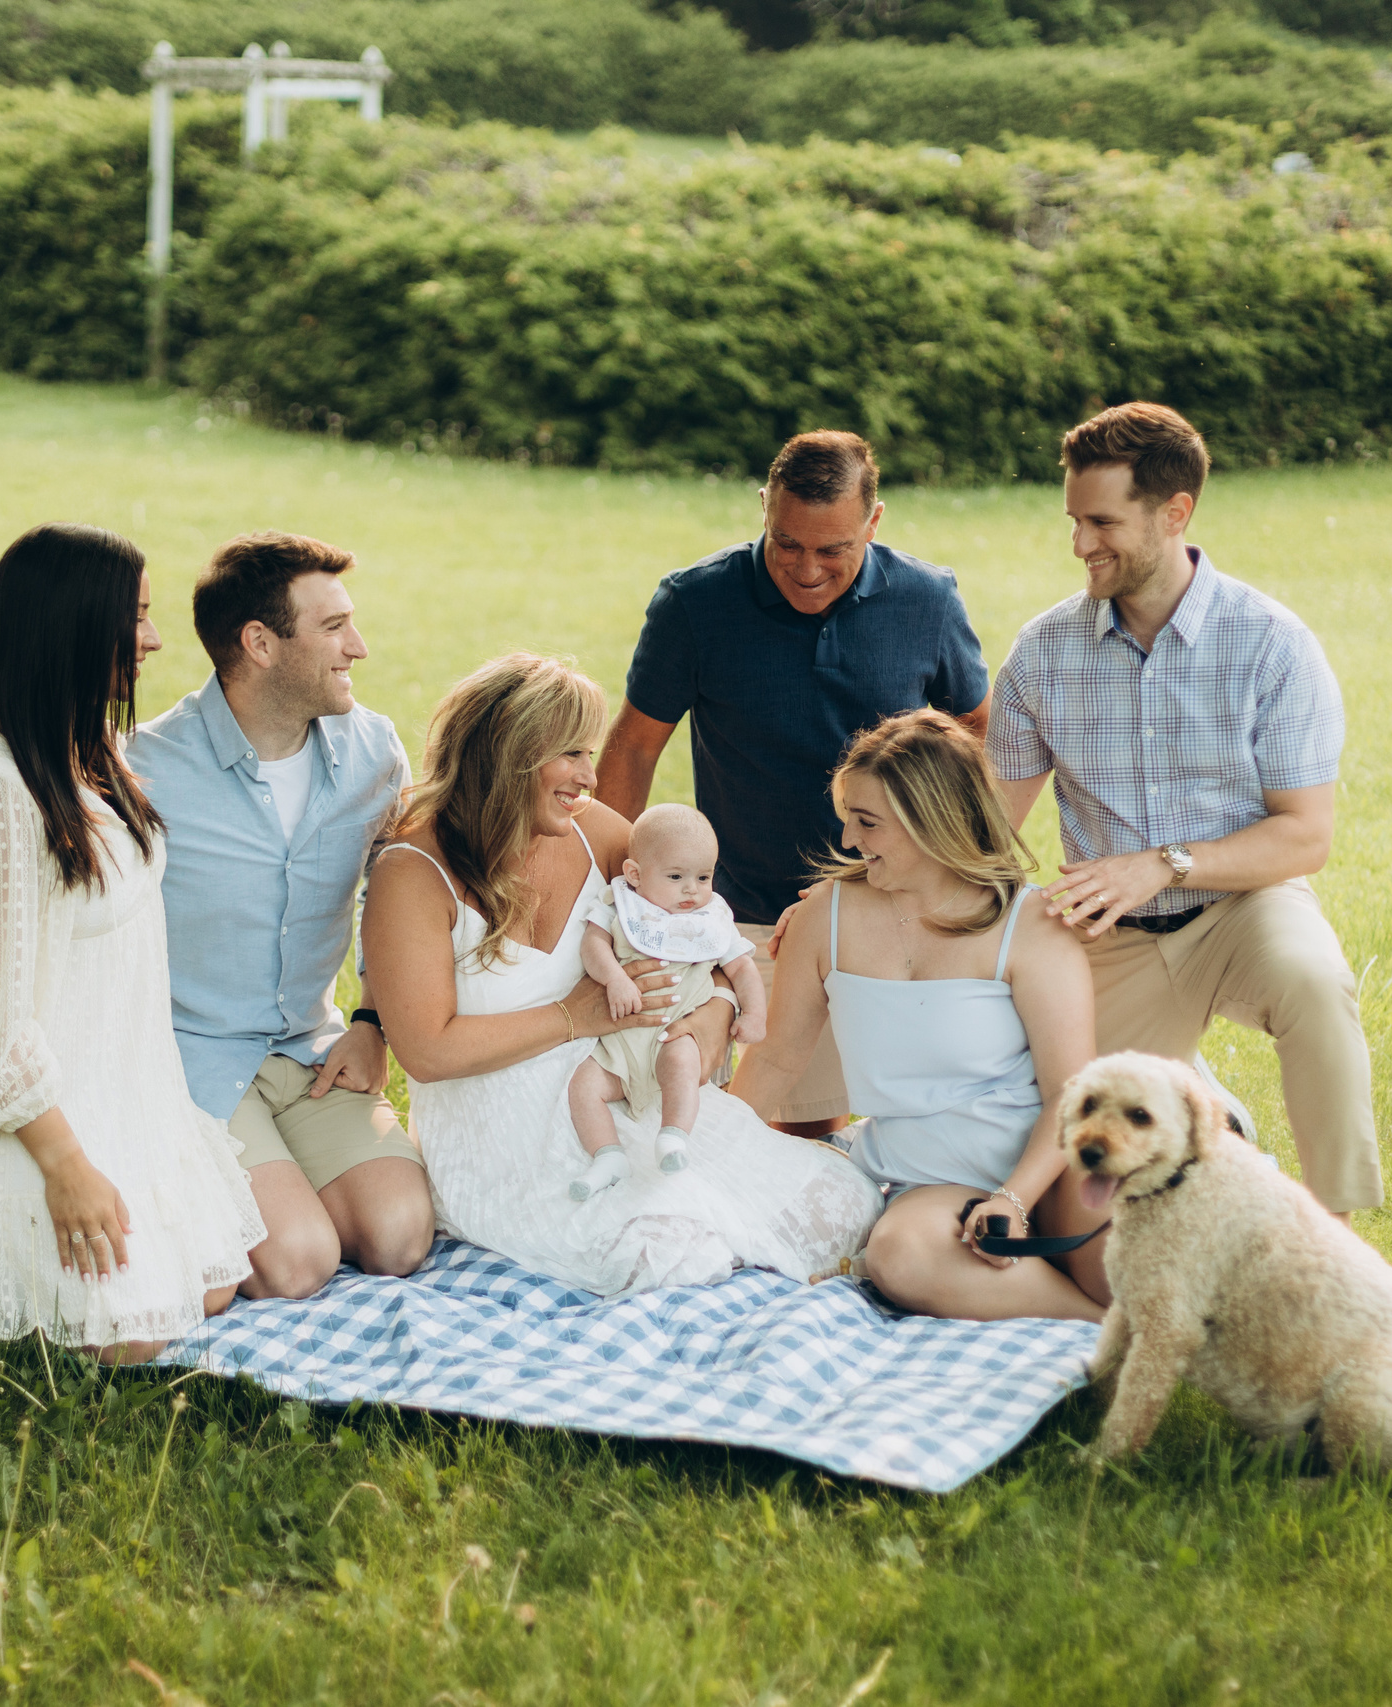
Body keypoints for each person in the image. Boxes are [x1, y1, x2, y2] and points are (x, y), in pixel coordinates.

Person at [0, 531, 433, 1299]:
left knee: (401, 1236)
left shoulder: (375, 752)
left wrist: (373, 1017)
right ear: (260, 643)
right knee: (297, 1262)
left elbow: (394, 884)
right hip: (194, 1061)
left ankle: (297, 1178)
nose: (360, 647)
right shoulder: (137, 765)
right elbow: (31, 892)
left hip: (313, 1049)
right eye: (334, 627)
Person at [0, 523, 265, 1362]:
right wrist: (67, 1171)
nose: (153, 638)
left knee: (215, 1281)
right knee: (134, 1335)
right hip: (18, 1114)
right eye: (135, 617)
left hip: (108, 1078)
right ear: (68, 627)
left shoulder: (80, 743)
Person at [363, 653, 879, 1298]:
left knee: (840, 1203)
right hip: (500, 1130)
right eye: (571, 754)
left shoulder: (597, 834)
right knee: (671, 1258)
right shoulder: (413, 872)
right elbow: (427, 1051)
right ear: (510, 754)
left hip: (622, 1086)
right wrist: (571, 1017)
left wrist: (714, 1009)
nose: (589, 776)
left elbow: (701, 932)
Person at [989, 402, 1382, 1217]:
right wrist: (858, 890)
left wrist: (1162, 864)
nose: (1079, 543)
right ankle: (1221, 1129)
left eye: (1101, 521)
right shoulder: (1043, 652)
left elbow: (1305, 835)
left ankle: (1330, 1237)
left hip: (1242, 906)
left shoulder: (1272, 643)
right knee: (1069, 1172)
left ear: (1175, 514)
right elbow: (987, 827)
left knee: (1315, 983)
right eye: (1073, 519)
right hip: (1106, 937)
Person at [595, 430, 992, 1138]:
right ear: (764, 509)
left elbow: (977, 737)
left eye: (832, 549)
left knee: (849, 1125)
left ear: (874, 522)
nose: (806, 569)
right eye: (786, 543)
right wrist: (608, 893)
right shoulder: (695, 602)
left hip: (882, 900)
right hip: (734, 911)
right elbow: (631, 748)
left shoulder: (927, 601)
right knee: (717, 1109)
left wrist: (914, 866)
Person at [733, 711, 1109, 1322]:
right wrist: (710, 1149)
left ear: (929, 822)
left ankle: (1104, 1305)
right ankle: (1105, 1330)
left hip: (1050, 1165)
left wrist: (1015, 1199)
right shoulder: (824, 917)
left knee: (1125, 1263)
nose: (850, 841)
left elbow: (1072, 1093)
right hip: (934, 1186)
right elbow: (775, 1058)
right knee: (900, 1258)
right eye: (848, 818)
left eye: (868, 822)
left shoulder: (1031, 926)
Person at [565, 802, 767, 1199]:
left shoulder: (709, 919)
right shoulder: (620, 906)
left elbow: (743, 968)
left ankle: (673, 1136)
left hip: (675, 1035)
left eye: (704, 876)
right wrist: (615, 978)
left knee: (681, 1063)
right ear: (635, 875)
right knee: (583, 1086)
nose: (692, 889)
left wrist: (755, 1012)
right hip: (619, 1047)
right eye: (676, 876)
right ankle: (607, 1155)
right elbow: (594, 945)